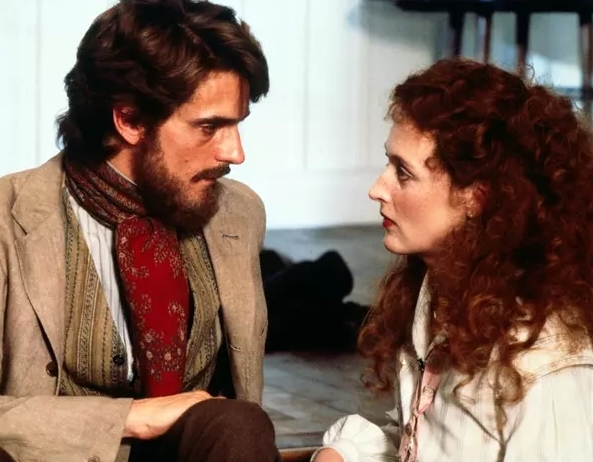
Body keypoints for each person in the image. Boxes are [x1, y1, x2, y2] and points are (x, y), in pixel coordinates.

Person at [0, 1, 279, 461]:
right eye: (210, 126)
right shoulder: (9, 220)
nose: (235, 152)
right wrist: (131, 418)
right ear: (129, 120)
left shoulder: (239, 213)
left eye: (236, 125)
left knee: (238, 423)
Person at [312, 58, 593, 462]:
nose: (377, 188)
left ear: (476, 196)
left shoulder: (546, 366)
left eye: (403, 172)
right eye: (388, 163)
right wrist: (344, 454)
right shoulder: (440, 292)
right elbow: (429, 442)